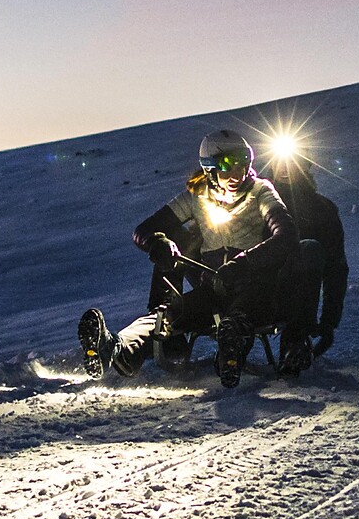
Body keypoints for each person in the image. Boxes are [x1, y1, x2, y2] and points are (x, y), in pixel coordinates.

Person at [78, 130, 319, 387]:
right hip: (213, 287)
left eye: (242, 163)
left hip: (255, 284)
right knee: (171, 314)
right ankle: (117, 348)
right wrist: (158, 242)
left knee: (243, 310)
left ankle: (232, 348)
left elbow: (287, 235)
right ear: (209, 169)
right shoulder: (198, 196)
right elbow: (143, 231)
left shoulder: (261, 191)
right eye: (226, 167)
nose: (237, 174)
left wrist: (243, 263)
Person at [269, 156, 350, 357]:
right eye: (279, 162)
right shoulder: (254, 203)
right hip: (252, 292)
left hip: (294, 297)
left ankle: (295, 343)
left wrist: (329, 321)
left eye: (292, 163)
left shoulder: (322, 210)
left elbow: (335, 267)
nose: (284, 168)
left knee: (309, 250)